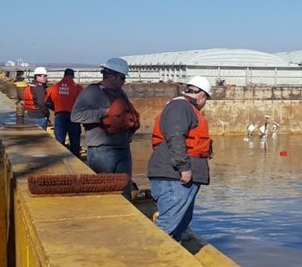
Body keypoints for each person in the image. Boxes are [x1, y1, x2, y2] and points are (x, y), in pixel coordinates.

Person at [147, 76, 213, 241]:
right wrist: (183, 167)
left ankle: (171, 254)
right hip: (174, 176)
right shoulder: (181, 107)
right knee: (168, 223)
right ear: (202, 96)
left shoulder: (182, 107)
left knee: (180, 223)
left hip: (177, 174)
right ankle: (151, 256)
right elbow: (176, 136)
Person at [70, 57, 140, 197]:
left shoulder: (121, 93)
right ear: (111, 76)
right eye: (122, 78)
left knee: (124, 191)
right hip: (101, 151)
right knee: (103, 193)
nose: (124, 81)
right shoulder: (92, 92)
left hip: (123, 149)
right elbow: (75, 116)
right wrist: (105, 113)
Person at [46, 68, 84, 156]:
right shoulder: (78, 88)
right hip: (74, 117)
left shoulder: (54, 87)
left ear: (64, 75)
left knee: (59, 142)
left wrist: (56, 109)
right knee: (75, 141)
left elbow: (47, 102)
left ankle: (59, 160)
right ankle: (75, 161)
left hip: (60, 116)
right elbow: (83, 103)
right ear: (73, 76)